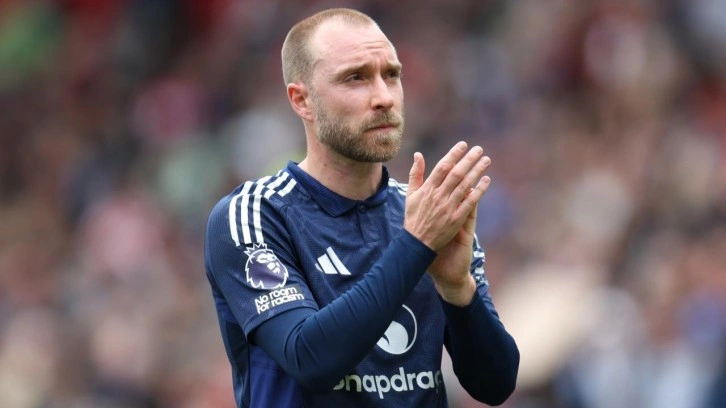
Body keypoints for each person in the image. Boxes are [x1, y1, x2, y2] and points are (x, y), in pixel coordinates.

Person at [204, 7, 519, 407]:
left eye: (392, 75)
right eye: (355, 78)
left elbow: (495, 385)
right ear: (302, 100)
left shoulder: (426, 214)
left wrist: (458, 290)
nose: (384, 97)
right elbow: (310, 359)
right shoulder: (254, 215)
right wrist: (415, 246)